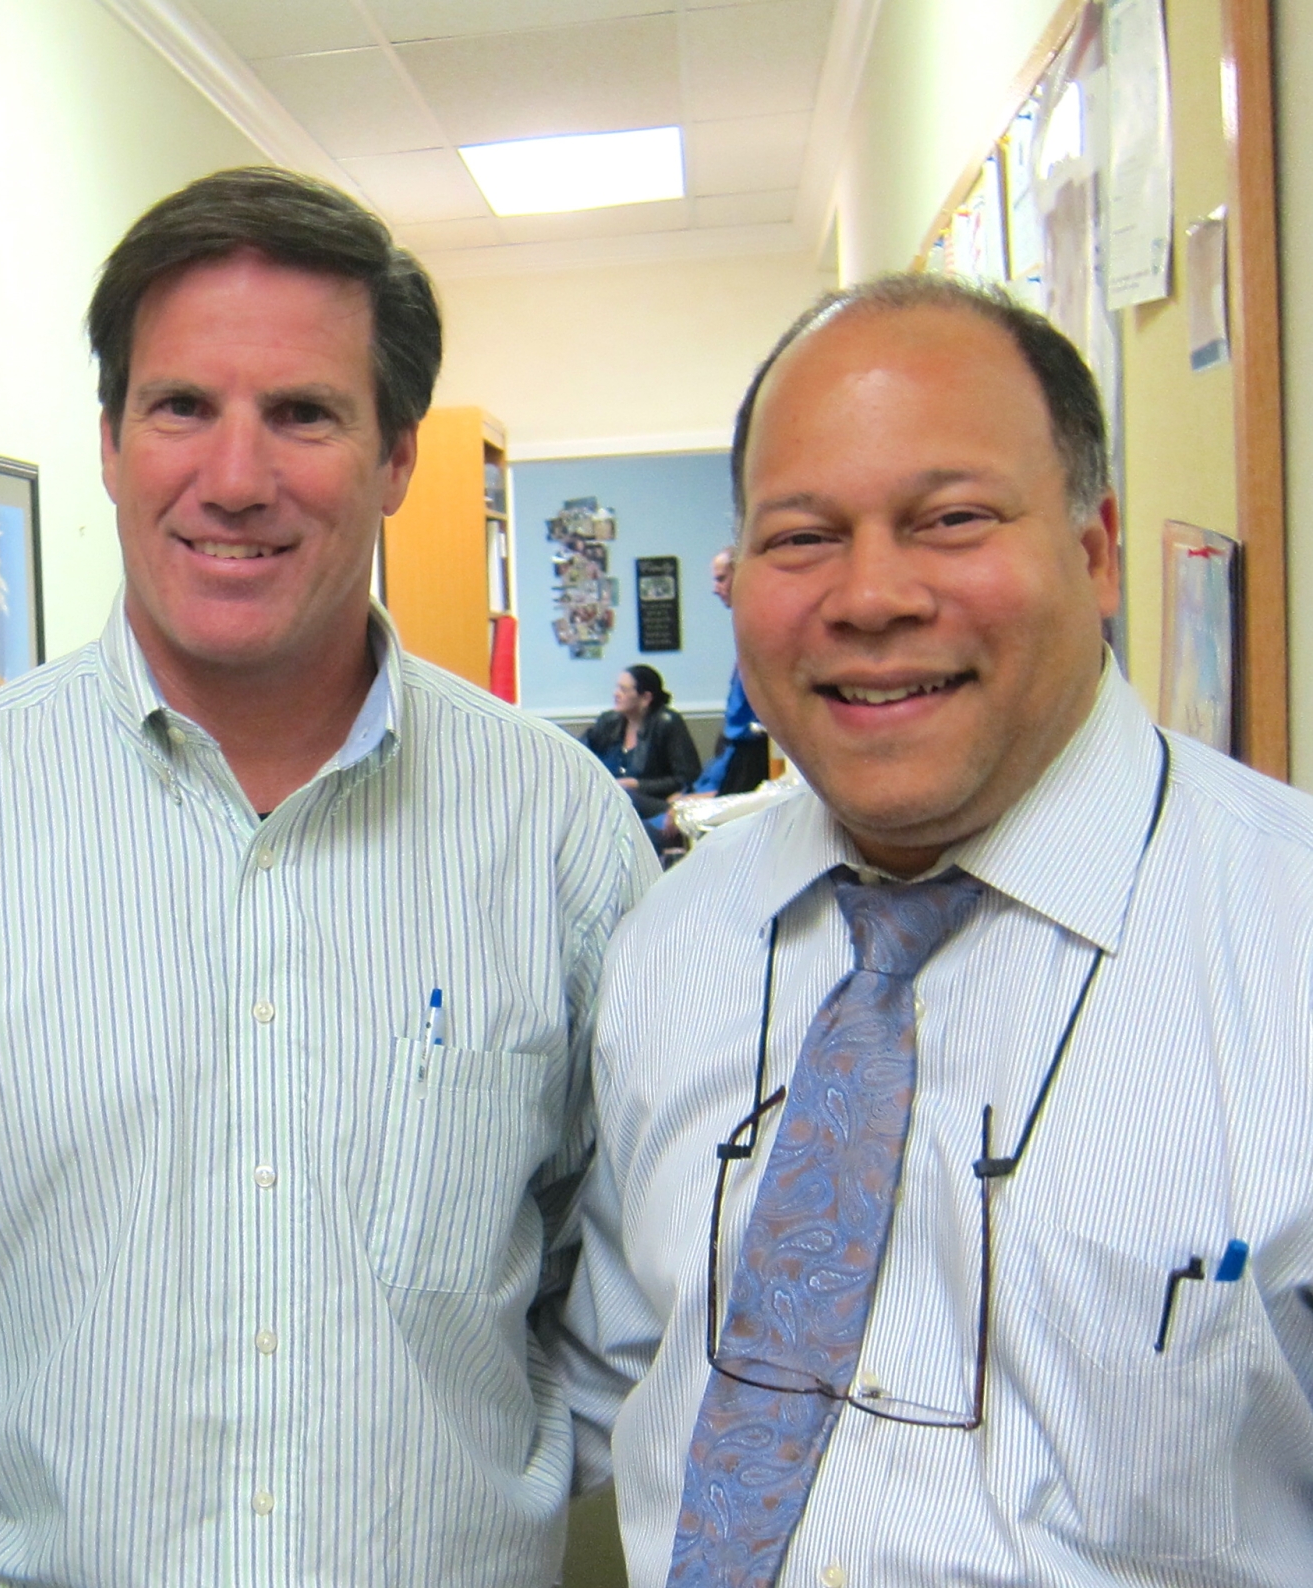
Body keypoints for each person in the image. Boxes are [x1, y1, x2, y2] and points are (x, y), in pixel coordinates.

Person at [0, 168, 655, 1588]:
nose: (235, 479)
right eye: (181, 406)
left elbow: (625, 1287)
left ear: (395, 457)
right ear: (110, 442)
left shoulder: (558, 833)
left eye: (302, 413)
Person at [563, 274, 1313, 1586]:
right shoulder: (671, 950)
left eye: (952, 518)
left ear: (1095, 550)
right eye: (803, 536)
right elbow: (626, 1379)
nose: (871, 596)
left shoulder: (1282, 942)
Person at [686, 548, 770, 797]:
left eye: (721, 579)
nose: (715, 589)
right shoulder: (745, 627)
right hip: (737, 749)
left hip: (756, 750)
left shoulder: (764, 630)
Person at [581, 662, 699, 821]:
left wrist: (636, 784)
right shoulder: (609, 721)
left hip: (655, 803)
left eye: (623, 690)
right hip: (611, 802)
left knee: (624, 797)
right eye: (617, 688)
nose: (616, 694)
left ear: (645, 698)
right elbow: (581, 752)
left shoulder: (667, 723)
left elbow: (685, 779)